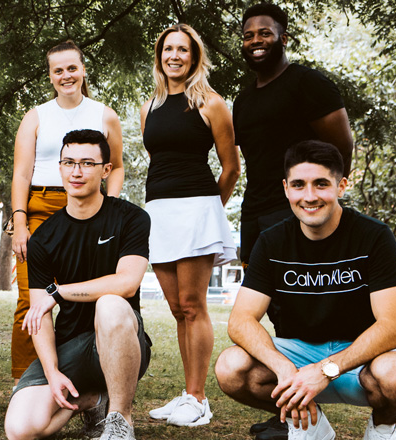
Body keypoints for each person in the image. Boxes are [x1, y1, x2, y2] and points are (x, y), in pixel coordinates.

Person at [215, 141, 396, 440]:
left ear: (341, 186)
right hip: (298, 353)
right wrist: (284, 369)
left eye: (321, 184)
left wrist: (326, 369)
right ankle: (312, 425)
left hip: (362, 358)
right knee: (230, 367)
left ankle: (382, 429)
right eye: (299, 185)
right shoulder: (272, 241)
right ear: (286, 188)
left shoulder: (373, 236)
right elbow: (241, 321)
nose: (309, 196)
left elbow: (395, 327)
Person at [234, 5, 354, 436]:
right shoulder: (245, 98)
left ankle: (311, 388)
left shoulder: (308, 84)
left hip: (298, 205)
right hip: (256, 207)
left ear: (283, 37)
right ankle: (294, 406)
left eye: (264, 33)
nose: (255, 42)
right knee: (271, 306)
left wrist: (319, 198)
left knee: (301, 295)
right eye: (248, 36)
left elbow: (341, 144)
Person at [4, 130, 151, 440]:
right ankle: (94, 400)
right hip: (71, 345)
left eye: (87, 163)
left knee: (109, 304)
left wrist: (59, 292)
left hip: (123, 340)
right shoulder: (44, 237)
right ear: (60, 167)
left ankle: (120, 420)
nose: (76, 171)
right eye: (69, 162)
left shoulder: (131, 218)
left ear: (105, 170)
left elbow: (126, 283)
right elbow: (39, 313)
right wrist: (53, 370)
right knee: (20, 430)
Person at [139, 24, 240, 427]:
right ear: (160, 57)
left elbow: (231, 167)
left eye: (183, 49)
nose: (174, 56)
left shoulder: (211, 103)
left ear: (194, 57)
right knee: (177, 308)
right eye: (168, 49)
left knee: (195, 306)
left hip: (197, 208)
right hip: (159, 212)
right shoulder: (149, 106)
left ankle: (198, 399)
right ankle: (187, 393)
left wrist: (209, 210)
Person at [9, 40, 125, 382]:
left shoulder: (105, 115)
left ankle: (91, 379)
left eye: (72, 68)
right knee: (31, 298)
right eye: (58, 70)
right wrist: (19, 220)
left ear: (83, 69)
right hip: (41, 210)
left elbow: (116, 166)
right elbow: (20, 172)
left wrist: (111, 208)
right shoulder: (36, 116)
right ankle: (26, 381)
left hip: (90, 209)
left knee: (88, 295)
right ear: (50, 75)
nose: (66, 75)